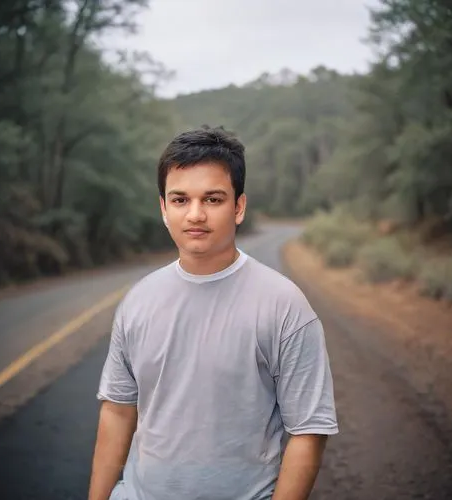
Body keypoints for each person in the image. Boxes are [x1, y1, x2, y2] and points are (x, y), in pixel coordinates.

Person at [88, 126, 339, 500]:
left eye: (212, 199)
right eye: (179, 200)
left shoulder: (283, 304)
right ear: (163, 208)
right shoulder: (138, 301)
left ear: (238, 207)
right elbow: (118, 413)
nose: (195, 215)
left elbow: (308, 429)